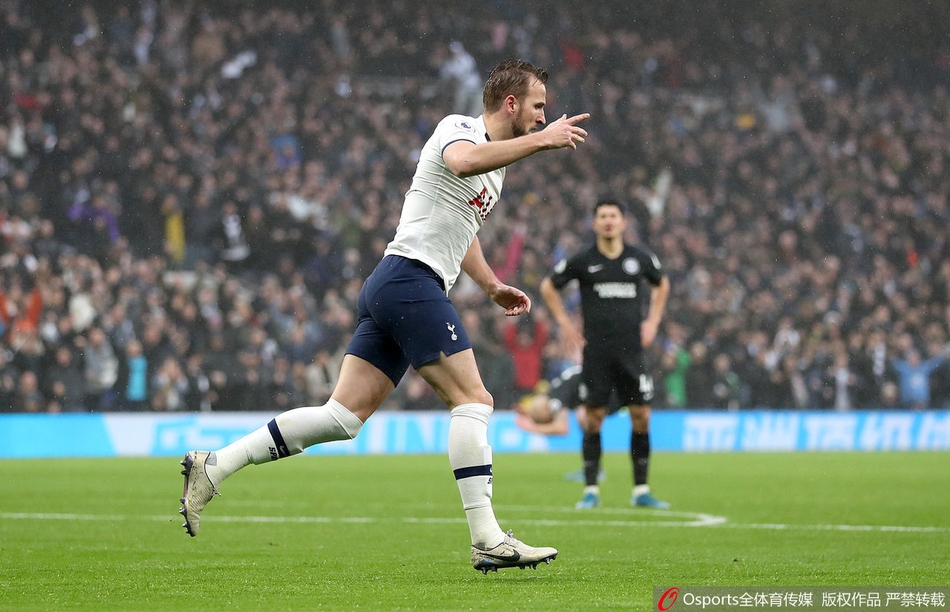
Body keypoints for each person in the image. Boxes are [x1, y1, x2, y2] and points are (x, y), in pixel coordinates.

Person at [178, 59, 590, 574]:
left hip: (395, 284)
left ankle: (216, 465)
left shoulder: (497, 165)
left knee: (342, 417)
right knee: (474, 399)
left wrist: (491, 286)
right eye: (538, 106)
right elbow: (462, 162)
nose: (543, 117)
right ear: (511, 103)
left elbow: (462, 227)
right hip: (410, 280)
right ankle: (487, 538)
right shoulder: (460, 129)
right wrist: (542, 141)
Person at [539, 198, 670, 510]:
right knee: (593, 418)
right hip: (597, 352)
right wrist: (564, 323)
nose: (608, 221)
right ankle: (591, 490)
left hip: (632, 353)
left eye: (613, 216)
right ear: (595, 223)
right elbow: (548, 286)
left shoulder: (639, 258)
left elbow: (662, 283)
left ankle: (641, 490)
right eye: (602, 216)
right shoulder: (583, 260)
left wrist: (653, 321)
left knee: (641, 416)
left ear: (623, 222)